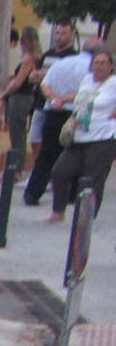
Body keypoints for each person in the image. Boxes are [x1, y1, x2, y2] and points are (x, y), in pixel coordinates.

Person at [23, 24, 88, 206]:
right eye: (57, 32)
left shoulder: (69, 59)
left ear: (73, 35)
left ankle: (34, 193)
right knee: (68, 152)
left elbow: (44, 81)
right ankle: (69, 194)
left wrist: (55, 98)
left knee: (49, 154)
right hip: (60, 110)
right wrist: (60, 99)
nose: (59, 36)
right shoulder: (51, 55)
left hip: (55, 109)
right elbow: (34, 78)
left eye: (64, 33)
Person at [50, 48, 116, 221]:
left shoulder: (114, 83)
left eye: (103, 63)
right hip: (79, 135)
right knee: (60, 171)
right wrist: (66, 105)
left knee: (93, 178)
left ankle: (86, 218)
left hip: (102, 137)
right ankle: (58, 212)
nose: (99, 66)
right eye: (96, 62)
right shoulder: (87, 80)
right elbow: (80, 100)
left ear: (111, 66)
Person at [1, 26, 43, 170]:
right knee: (18, 133)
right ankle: (16, 167)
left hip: (20, 98)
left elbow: (18, 82)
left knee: (17, 134)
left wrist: (4, 93)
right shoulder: (35, 57)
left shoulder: (28, 58)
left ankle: (16, 169)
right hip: (25, 97)